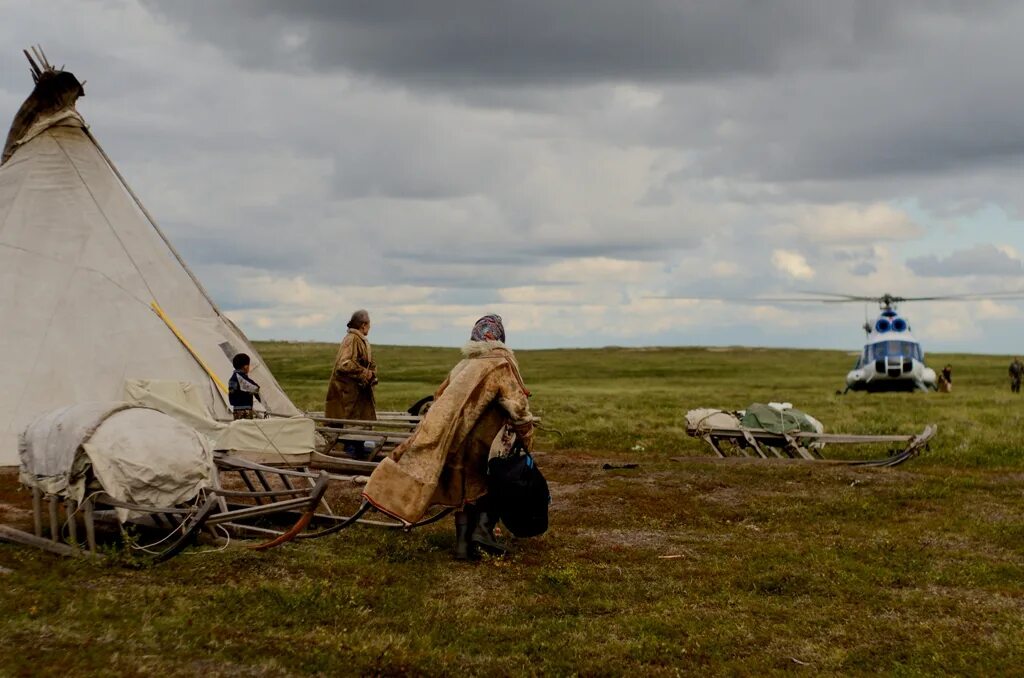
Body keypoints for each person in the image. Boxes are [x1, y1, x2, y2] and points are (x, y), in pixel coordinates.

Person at [362, 314, 535, 561]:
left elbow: (439, 395)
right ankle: (484, 533)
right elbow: (517, 406)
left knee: (464, 491)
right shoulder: (501, 364)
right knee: (492, 485)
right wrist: (526, 434)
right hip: (487, 442)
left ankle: (463, 546)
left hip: (456, 440)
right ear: (500, 337)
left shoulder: (463, 366)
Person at [326, 310, 377, 456]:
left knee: (359, 423)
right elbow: (344, 363)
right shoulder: (352, 339)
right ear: (363, 325)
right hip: (348, 392)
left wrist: (372, 374)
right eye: (369, 324)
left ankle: (358, 450)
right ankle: (351, 453)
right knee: (352, 424)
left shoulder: (360, 339)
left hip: (358, 392)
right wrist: (364, 373)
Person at [228, 353, 261, 419]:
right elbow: (255, 388)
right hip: (244, 411)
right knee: (247, 428)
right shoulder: (240, 377)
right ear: (245, 366)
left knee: (239, 428)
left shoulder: (233, 378)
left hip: (236, 409)